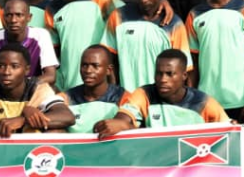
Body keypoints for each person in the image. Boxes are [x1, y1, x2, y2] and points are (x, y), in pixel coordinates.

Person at [94, 49, 229, 138]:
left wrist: (128, 128)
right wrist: (121, 125)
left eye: (170, 74)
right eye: (159, 73)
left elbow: (229, 131)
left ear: (184, 76)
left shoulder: (203, 102)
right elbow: (120, 121)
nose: (163, 79)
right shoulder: (144, 94)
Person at [102, 0, 191, 92]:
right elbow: (108, 59)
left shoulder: (174, 24)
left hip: (159, 99)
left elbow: (183, 69)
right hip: (127, 98)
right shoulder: (118, 16)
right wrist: (114, 92)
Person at [45, 0, 123, 91]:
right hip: (69, 88)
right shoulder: (52, 8)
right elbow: (54, 55)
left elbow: (129, 19)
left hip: (101, 87)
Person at [0, 0, 59, 87]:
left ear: (29, 17)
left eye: (19, 15)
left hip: (33, 89)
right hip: (2, 92)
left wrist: (21, 88)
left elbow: (51, 76)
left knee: (52, 93)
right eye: (9, 15)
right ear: (3, 17)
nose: (13, 20)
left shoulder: (41, 36)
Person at [57, 45, 130, 133]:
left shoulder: (123, 97)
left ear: (109, 70)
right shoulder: (65, 98)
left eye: (95, 66)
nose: (88, 70)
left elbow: (134, 129)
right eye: (84, 65)